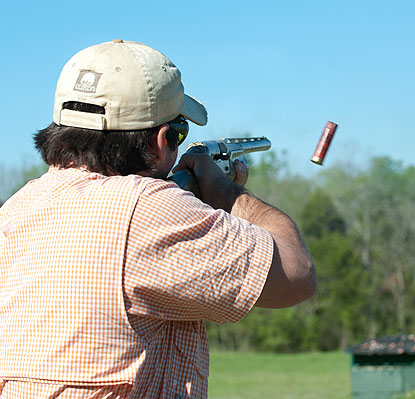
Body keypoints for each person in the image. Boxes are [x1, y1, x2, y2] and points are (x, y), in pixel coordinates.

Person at [0, 40, 316, 399]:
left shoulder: (17, 209)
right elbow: (297, 273)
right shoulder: (148, 207)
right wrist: (225, 192)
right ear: (163, 139)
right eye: (180, 132)